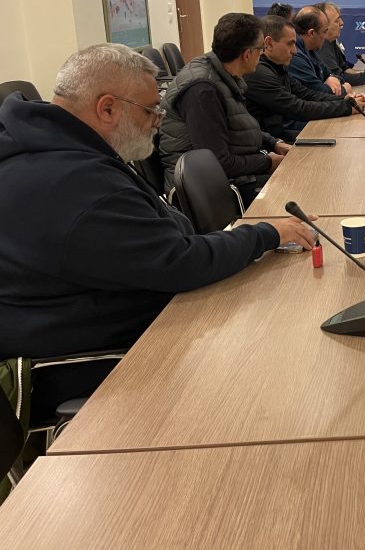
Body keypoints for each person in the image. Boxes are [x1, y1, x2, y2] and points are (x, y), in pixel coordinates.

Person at [0, 44, 315, 418]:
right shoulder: (75, 184)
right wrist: (267, 234)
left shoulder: (55, 147)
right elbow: (180, 261)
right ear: (107, 108)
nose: (158, 121)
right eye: (150, 110)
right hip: (84, 363)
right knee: (268, 365)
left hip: (102, 318)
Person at [159, 13, 290, 198]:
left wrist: (273, 143)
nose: (262, 55)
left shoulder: (221, 73)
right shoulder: (203, 91)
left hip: (228, 177)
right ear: (247, 54)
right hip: (206, 189)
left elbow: (237, 124)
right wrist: (267, 162)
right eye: (260, 49)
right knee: (297, 182)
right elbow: (218, 162)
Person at [244, 15, 365, 141]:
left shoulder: (277, 67)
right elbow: (298, 108)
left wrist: (347, 99)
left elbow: (307, 94)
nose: (294, 51)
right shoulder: (259, 73)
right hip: (269, 142)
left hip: (278, 136)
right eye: (290, 44)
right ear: (269, 43)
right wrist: (346, 107)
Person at [314, 2, 365, 88]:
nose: (342, 23)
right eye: (337, 20)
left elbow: (344, 68)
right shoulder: (321, 45)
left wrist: (364, 73)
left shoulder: (331, 41)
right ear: (324, 24)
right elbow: (337, 77)